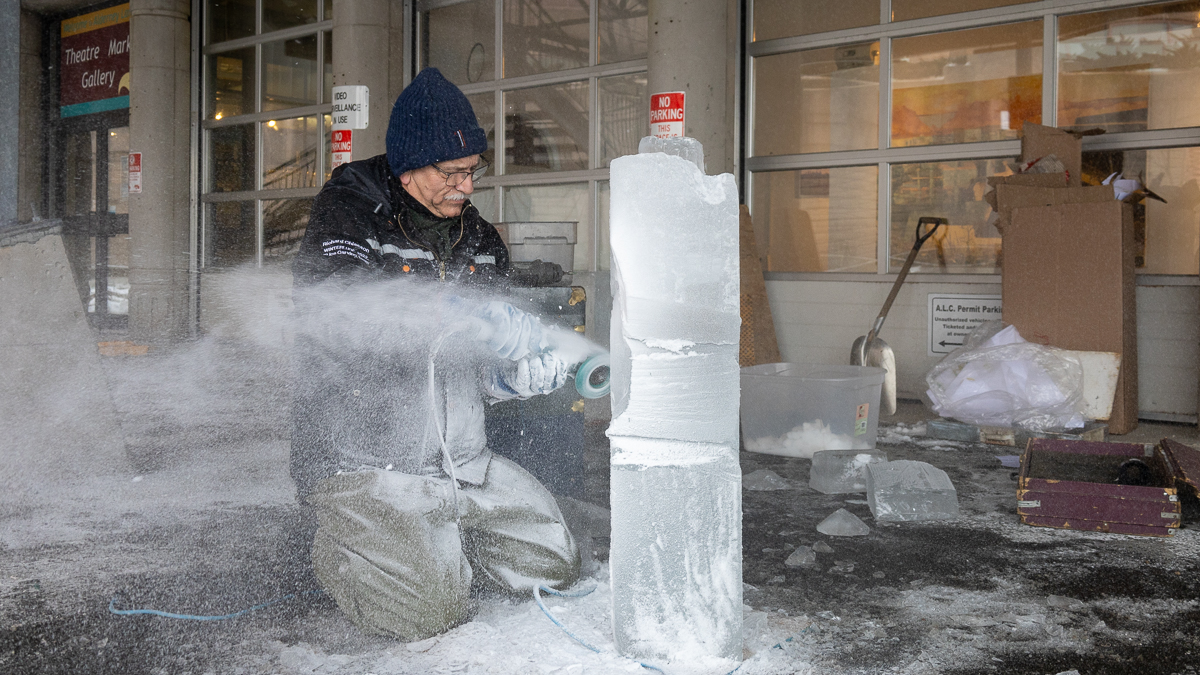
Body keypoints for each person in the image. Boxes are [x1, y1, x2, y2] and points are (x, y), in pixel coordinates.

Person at [289, 67, 580, 641]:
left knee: (553, 568)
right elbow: (341, 322)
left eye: (472, 172)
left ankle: (441, 536)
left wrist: (518, 375)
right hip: (371, 465)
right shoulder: (349, 213)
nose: (466, 187)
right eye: (452, 174)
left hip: (461, 461)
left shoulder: (478, 238)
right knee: (431, 614)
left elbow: (479, 366)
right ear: (409, 164)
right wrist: (458, 316)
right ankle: (343, 544)